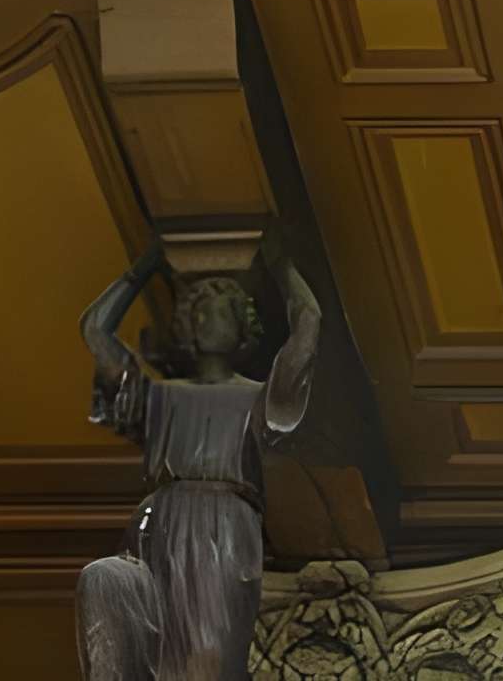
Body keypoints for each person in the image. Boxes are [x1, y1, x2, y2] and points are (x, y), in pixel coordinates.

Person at [75, 248, 321, 681]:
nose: (210, 321)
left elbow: (307, 328)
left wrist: (283, 264)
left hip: (224, 524)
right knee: (109, 587)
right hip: (159, 520)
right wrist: (143, 266)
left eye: (223, 312)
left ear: (243, 327)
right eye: (201, 312)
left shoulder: (258, 398)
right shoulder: (158, 399)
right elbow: (94, 328)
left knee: (211, 650)